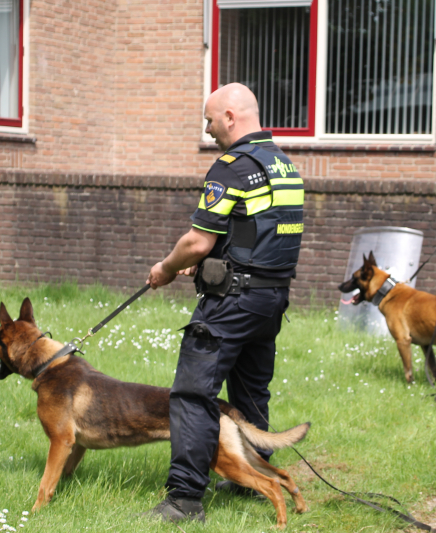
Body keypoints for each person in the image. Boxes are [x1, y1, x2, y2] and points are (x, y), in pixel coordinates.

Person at [143, 83, 304, 523]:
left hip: (232, 302)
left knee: (193, 394)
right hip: (271, 300)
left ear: (231, 117)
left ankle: (184, 500)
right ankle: (247, 477)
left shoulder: (231, 167)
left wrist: (167, 267)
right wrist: (220, 259)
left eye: (210, 119)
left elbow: (196, 240)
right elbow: (255, 234)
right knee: (251, 392)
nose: (208, 128)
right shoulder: (284, 166)